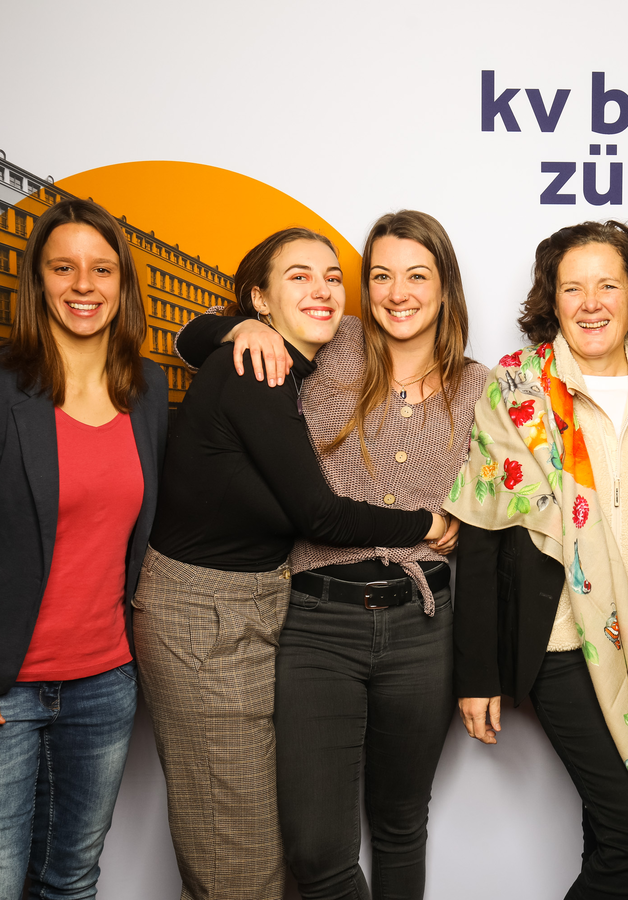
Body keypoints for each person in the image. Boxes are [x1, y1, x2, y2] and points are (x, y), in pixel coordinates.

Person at [176, 210, 485, 900]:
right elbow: (192, 341)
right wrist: (240, 327)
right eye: (381, 276)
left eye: (417, 276)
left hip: (423, 625)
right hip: (317, 624)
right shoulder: (334, 342)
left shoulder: (479, 387)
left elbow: (498, 512)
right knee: (316, 850)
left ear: (445, 287)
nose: (398, 293)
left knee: (401, 825)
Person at [0, 198, 167, 899]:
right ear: (38, 280)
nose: (84, 285)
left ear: (123, 284)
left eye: (102, 269)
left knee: (70, 883)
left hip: (105, 687)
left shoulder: (146, 391)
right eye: (63, 268)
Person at [450, 220, 628, 900]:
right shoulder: (515, 389)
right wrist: (476, 673)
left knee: (608, 834)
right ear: (552, 299)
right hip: (563, 641)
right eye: (572, 288)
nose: (591, 303)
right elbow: (482, 534)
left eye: (608, 286)